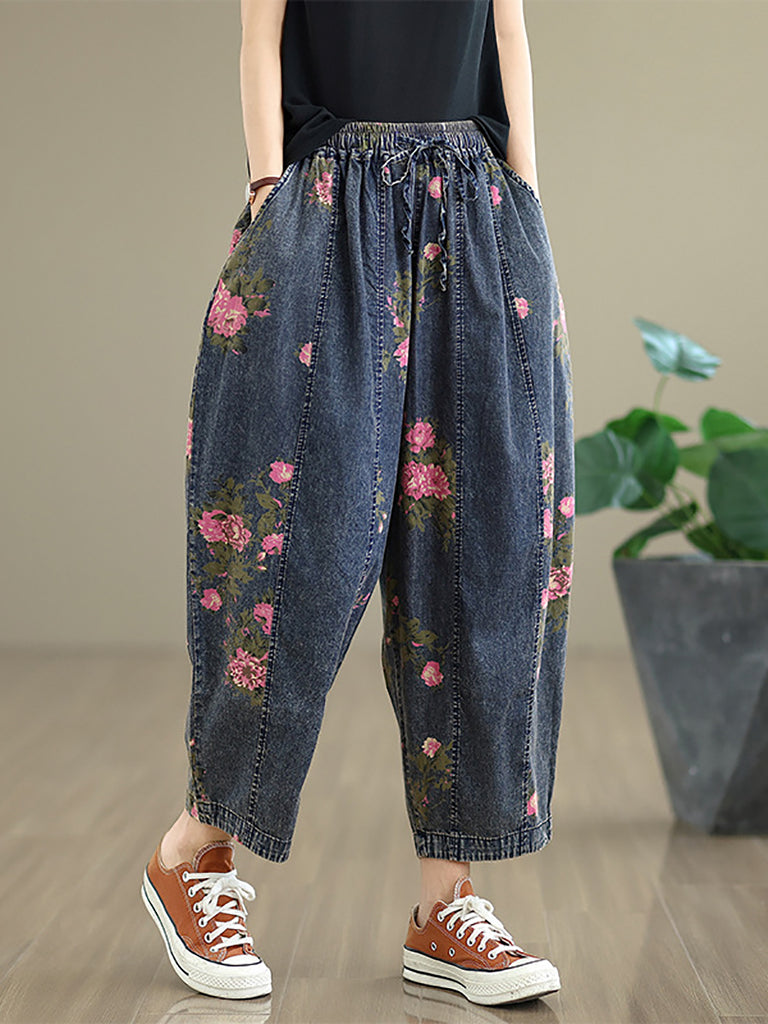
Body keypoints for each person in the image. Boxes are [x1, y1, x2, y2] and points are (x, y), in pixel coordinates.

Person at [140, 0, 575, 1007]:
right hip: (326, 205)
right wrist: (266, 187)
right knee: (296, 555)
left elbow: (508, 31)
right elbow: (259, 32)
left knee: (488, 557)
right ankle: (194, 848)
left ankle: (447, 904)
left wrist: (526, 201)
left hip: (477, 207)